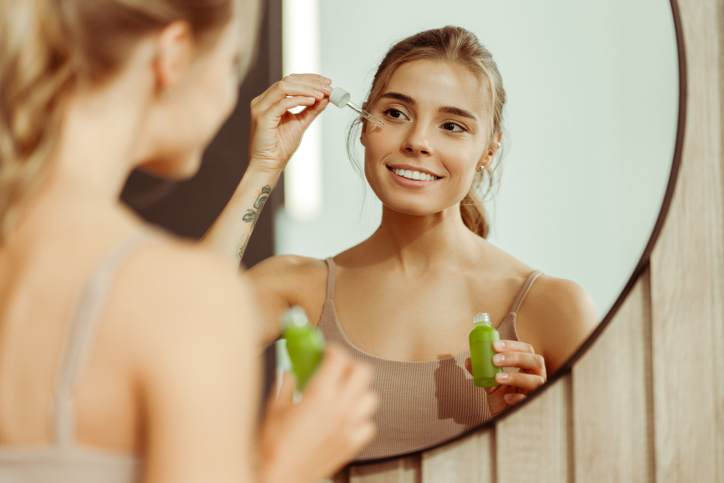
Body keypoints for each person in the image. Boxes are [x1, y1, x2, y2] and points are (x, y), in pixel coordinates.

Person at [0, 1, 377, 482]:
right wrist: (285, 467)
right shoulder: (178, 295)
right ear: (174, 55)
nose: (228, 92)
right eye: (231, 62)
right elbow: (186, 307)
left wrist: (264, 169)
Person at [203, 26, 599, 460]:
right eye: (395, 114)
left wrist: (538, 433)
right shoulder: (296, 288)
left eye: (452, 125)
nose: (417, 142)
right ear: (363, 124)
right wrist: (263, 167)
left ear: (489, 150)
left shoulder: (554, 307)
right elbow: (174, 336)